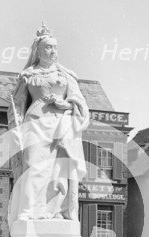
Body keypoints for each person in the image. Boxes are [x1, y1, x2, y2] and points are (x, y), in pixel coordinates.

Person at [8, 24, 89, 224]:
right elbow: (17, 106)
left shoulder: (66, 75)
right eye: (48, 47)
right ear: (38, 50)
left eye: (55, 47)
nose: (53, 51)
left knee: (59, 170)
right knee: (33, 165)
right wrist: (16, 129)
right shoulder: (28, 75)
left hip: (61, 124)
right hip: (35, 121)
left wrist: (67, 104)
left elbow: (80, 102)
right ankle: (28, 211)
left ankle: (57, 211)